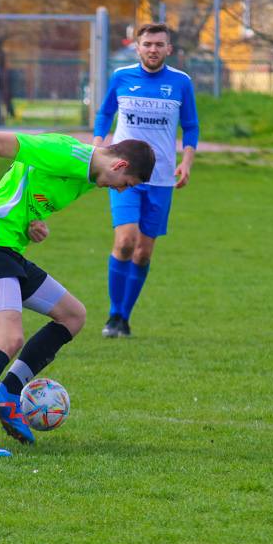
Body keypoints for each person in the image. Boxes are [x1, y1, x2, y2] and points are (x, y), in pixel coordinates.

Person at [0, 132, 155, 457]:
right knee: (8, 338)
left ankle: (7, 394)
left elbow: (24, 183)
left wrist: (32, 222)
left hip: (10, 248)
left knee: (73, 316)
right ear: (120, 164)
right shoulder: (64, 154)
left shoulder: (86, 176)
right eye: (126, 182)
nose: (121, 189)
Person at [92, 22, 199, 338]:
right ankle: (113, 316)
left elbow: (191, 125)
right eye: (148, 44)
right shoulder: (121, 77)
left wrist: (187, 161)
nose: (153, 49)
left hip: (162, 178)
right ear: (137, 48)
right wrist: (98, 145)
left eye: (159, 44)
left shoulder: (181, 82)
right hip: (122, 174)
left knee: (143, 253)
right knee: (125, 242)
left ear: (169, 49)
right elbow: (104, 113)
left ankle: (124, 318)